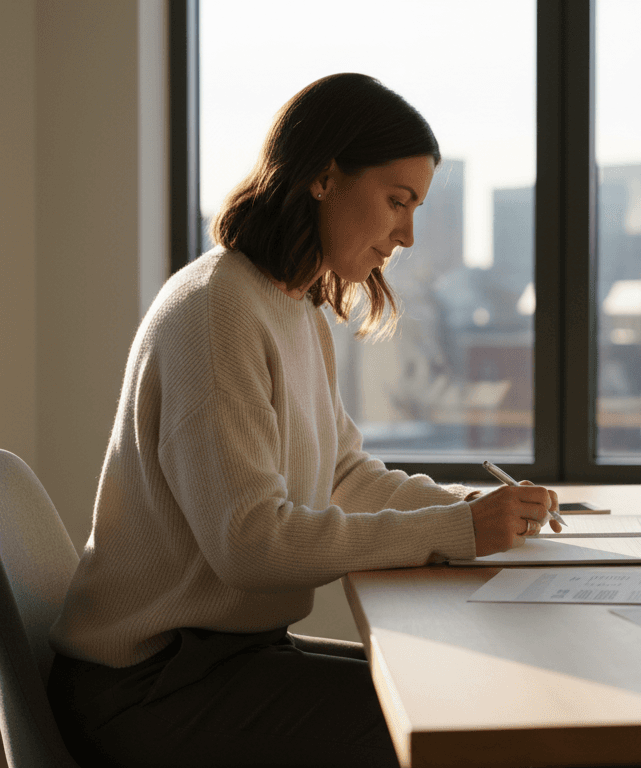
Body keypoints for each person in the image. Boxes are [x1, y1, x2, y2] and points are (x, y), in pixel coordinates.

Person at [45, 73, 556, 768]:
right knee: (451, 731)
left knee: (452, 702)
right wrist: (456, 531)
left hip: (220, 663)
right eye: (396, 202)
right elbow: (250, 544)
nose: (406, 235)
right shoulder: (216, 311)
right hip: (149, 689)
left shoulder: (292, 307)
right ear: (324, 177)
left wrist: (468, 509)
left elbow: (343, 474)